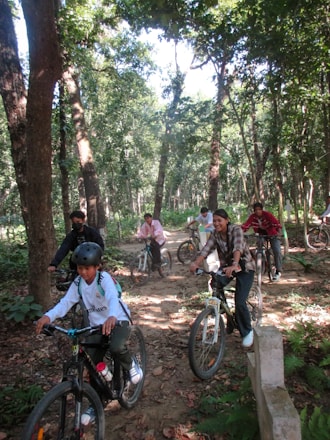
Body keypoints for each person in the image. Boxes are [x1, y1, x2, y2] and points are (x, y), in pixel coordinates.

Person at [36, 242, 143, 425]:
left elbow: (111, 297)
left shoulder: (104, 279)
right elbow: (65, 303)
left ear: (97, 266)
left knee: (116, 346)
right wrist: (48, 316)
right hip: (96, 326)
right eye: (79, 268)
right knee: (91, 363)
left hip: (117, 319)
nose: (83, 272)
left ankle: (131, 363)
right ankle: (97, 402)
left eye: (87, 268)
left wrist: (111, 316)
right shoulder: (78, 283)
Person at [190, 209, 256, 348]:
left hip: (244, 267)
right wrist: (196, 263)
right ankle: (229, 320)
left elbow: (237, 247)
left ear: (227, 220)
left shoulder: (235, 230)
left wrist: (235, 264)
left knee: (240, 301)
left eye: (219, 220)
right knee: (215, 283)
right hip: (227, 267)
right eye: (214, 221)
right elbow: (206, 248)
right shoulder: (215, 233)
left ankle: (247, 331)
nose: (216, 223)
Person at [241, 202, 282, 282]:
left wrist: (278, 232)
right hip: (260, 235)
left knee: (277, 251)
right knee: (259, 246)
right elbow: (246, 226)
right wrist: (240, 231)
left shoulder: (268, 215)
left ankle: (278, 271)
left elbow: (276, 223)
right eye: (256, 210)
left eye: (259, 210)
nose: (257, 211)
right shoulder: (252, 217)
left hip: (272, 234)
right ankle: (261, 261)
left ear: (262, 210)